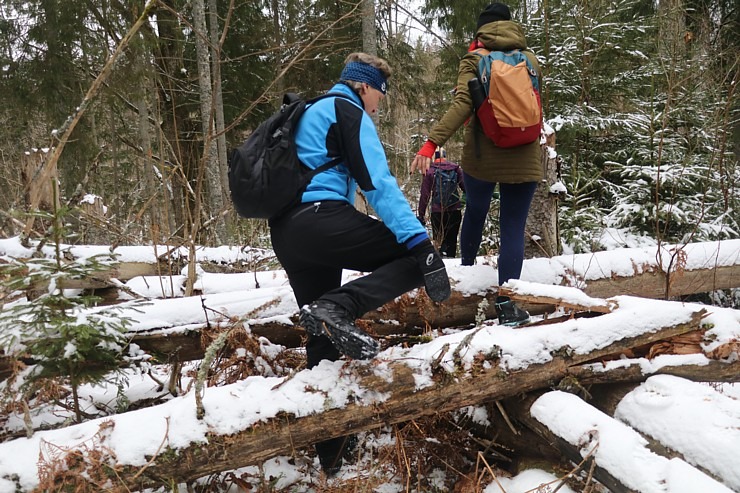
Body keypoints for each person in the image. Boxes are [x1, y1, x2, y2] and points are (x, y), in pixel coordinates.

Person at [269, 52, 451, 475]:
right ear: (365, 86)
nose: (378, 107)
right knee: (412, 257)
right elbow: (379, 185)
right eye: (379, 98)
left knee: (322, 346)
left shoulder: (308, 111)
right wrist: (422, 244)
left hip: (288, 233)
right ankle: (342, 306)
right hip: (321, 219)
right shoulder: (347, 109)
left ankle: (332, 462)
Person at [411, 3, 541, 327]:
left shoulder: (475, 59)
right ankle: (508, 305)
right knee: (513, 227)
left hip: (483, 157)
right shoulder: (531, 60)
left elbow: (462, 105)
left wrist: (432, 143)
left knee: (476, 211)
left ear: (481, 31)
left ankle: (466, 275)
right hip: (525, 156)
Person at [417, 148, 466, 257]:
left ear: (435, 157)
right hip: (455, 210)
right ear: (445, 156)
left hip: (437, 212)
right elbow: (466, 189)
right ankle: (452, 261)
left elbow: (425, 195)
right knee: (452, 241)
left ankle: (443, 263)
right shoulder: (455, 169)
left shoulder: (430, 171)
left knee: (439, 242)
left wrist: (421, 214)